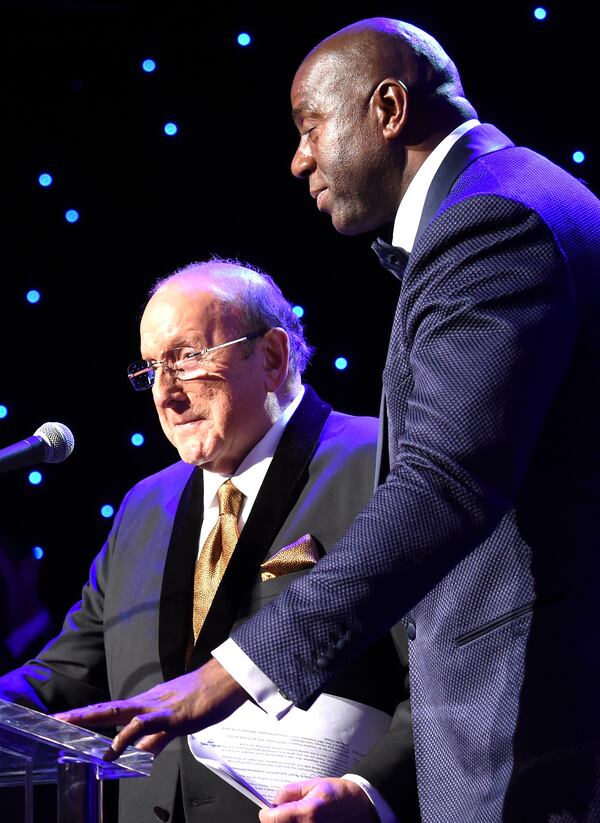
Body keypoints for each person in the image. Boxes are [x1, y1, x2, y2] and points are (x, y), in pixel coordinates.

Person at [52, 17, 600, 823]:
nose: (299, 158)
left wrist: (226, 675)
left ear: (388, 108)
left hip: (529, 722)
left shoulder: (494, 221)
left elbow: (447, 483)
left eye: (311, 126)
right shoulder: (516, 199)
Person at [0, 259, 420, 823]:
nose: (165, 395)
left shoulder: (384, 462)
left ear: (271, 357)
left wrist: (372, 792)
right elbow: (71, 675)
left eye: (188, 358)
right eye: (151, 368)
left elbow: (455, 667)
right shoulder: (144, 506)